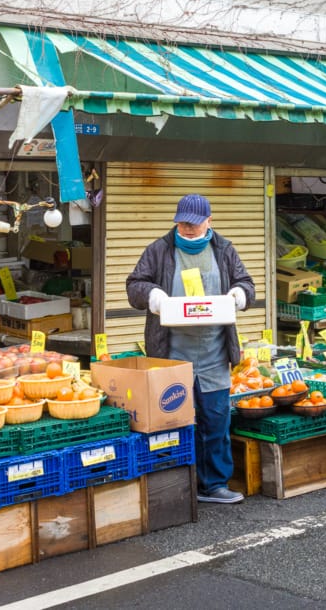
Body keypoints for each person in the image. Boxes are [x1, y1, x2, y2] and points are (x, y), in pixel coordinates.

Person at [126, 193, 255, 504]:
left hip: (213, 353)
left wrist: (239, 294)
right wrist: (153, 295)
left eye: (194, 224)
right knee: (172, 421)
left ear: (209, 221)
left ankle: (214, 485)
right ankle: (175, 484)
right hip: (172, 355)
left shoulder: (224, 249)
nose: (188, 228)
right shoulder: (159, 250)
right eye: (182, 223)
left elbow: (247, 283)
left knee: (216, 420)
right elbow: (134, 285)